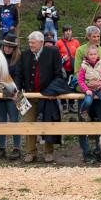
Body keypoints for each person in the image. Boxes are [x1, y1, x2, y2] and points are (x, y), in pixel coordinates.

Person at [18, 30, 64, 163]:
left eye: (33, 43)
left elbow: (58, 75)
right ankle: (31, 152)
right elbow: (19, 74)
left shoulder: (53, 52)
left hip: (47, 96)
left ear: (41, 42)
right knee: (30, 124)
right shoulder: (25, 54)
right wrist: (17, 89)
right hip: (30, 96)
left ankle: (49, 152)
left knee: (48, 124)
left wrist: (52, 92)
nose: (30, 45)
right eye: (29, 42)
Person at [76, 44, 101, 162]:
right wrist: (86, 87)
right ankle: (86, 152)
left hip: (100, 89)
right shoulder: (82, 61)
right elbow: (79, 77)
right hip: (89, 90)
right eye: (90, 54)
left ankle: (99, 150)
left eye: (94, 54)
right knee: (86, 105)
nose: (92, 56)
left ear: (98, 54)